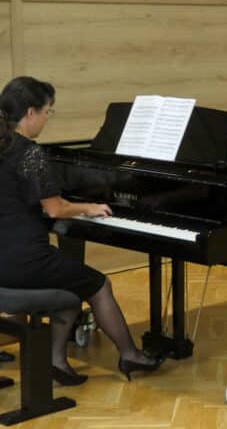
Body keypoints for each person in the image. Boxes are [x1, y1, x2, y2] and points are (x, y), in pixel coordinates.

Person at [0, 76, 163, 384]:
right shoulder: (29, 153)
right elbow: (55, 209)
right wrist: (89, 207)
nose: (47, 119)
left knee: (71, 291)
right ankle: (129, 354)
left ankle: (57, 361)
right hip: (25, 260)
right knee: (99, 286)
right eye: (47, 112)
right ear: (31, 112)